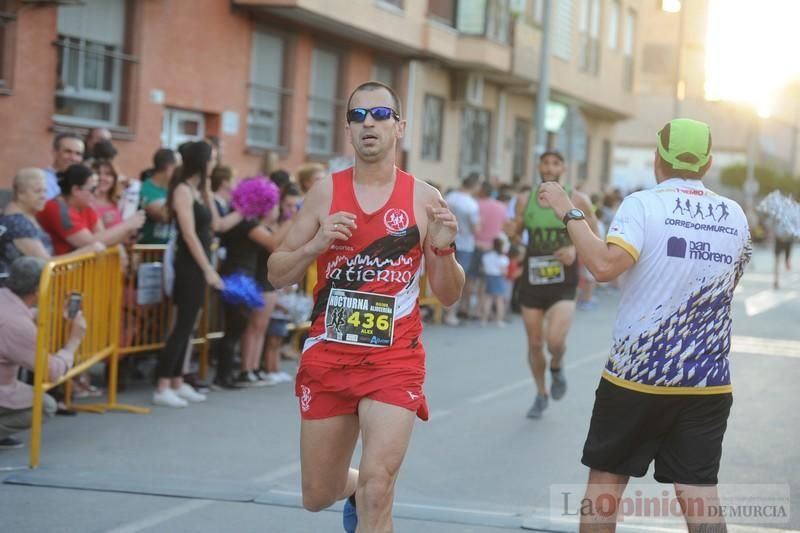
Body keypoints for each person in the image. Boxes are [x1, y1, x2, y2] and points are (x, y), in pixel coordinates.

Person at [267, 80, 464, 533]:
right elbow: (277, 273)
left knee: (380, 488)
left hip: (395, 358)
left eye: (379, 115)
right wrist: (315, 244)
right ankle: (350, 489)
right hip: (329, 356)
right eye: (358, 116)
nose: (368, 124)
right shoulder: (324, 192)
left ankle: (368, 495)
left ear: (400, 127)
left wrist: (442, 250)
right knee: (317, 494)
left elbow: (449, 294)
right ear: (349, 130)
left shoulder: (425, 198)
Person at [538, 119, 751, 533]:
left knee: (605, 486)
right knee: (700, 497)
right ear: (706, 165)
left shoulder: (642, 204)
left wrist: (567, 208)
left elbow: (602, 266)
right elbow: (730, 285)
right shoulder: (736, 215)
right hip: (707, 381)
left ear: (657, 157)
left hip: (636, 377)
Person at [510, 151, 597, 419]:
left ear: (563, 168)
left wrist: (573, 247)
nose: (549, 167)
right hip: (533, 279)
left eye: (555, 163)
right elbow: (516, 234)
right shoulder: (525, 200)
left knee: (555, 341)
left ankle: (557, 366)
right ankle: (540, 392)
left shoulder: (579, 199)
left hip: (564, 279)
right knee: (535, 343)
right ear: (538, 166)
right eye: (545, 162)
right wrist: (511, 233)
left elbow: (593, 234)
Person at [155, 141, 239, 407]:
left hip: (201, 260)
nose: (214, 164)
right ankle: (163, 384)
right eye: (211, 159)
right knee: (182, 325)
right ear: (201, 161)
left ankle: (178, 379)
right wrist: (208, 269)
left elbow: (215, 224)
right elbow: (189, 234)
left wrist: (208, 191)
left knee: (190, 325)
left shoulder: (197, 189)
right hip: (189, 263)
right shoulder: (181, 190)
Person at [0, 257, 87, 448]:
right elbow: (52, 371)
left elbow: (23, 313)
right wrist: (74, 340)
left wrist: (52, 313)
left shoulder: (5, 299)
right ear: (39, 289)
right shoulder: (17, 325)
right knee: (46, 406)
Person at [36, 164, 144, 255]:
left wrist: (128, 231)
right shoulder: (56, 209)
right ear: (76, 190)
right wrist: (127, 225)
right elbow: (90, 242)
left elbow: (105, 238)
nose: (96, 193)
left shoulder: (86, 207)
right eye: (92, 189)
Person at [443, 173, 481, 326]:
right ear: (475, 186)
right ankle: (451, 313)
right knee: (458, 279)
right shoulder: (471, 204)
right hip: (465, 244)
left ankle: (442, 310)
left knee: (445, 276)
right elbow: (476, 228)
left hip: (447, 239)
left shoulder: (450, 197)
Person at [139, 148, 179, 245]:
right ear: (170, 169)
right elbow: (165, 216)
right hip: (151, 251)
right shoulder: (146, 188)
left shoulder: (176, 188)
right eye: (178, 167)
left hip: (172, 251)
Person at [43, 133, 85, 200]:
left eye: (78, 154)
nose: (73, 158)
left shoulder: (85, 183)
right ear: (54, 152)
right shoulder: (42, 180)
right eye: (68, 152)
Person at [480, 237, 510, 327]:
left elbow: (483, 267)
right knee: (499, 300)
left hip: (489, 277)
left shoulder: (487, 256)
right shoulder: (503, 258)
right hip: (498, 278)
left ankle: (484, 320)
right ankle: (499, 320)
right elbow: (504, 271)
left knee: (488, 299)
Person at [91, 160, 123, 229]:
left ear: (114, 179)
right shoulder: (85, 202)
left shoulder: (119, 202)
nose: (102, 178)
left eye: (108, 174)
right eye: (97, 173)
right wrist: (101, 222)